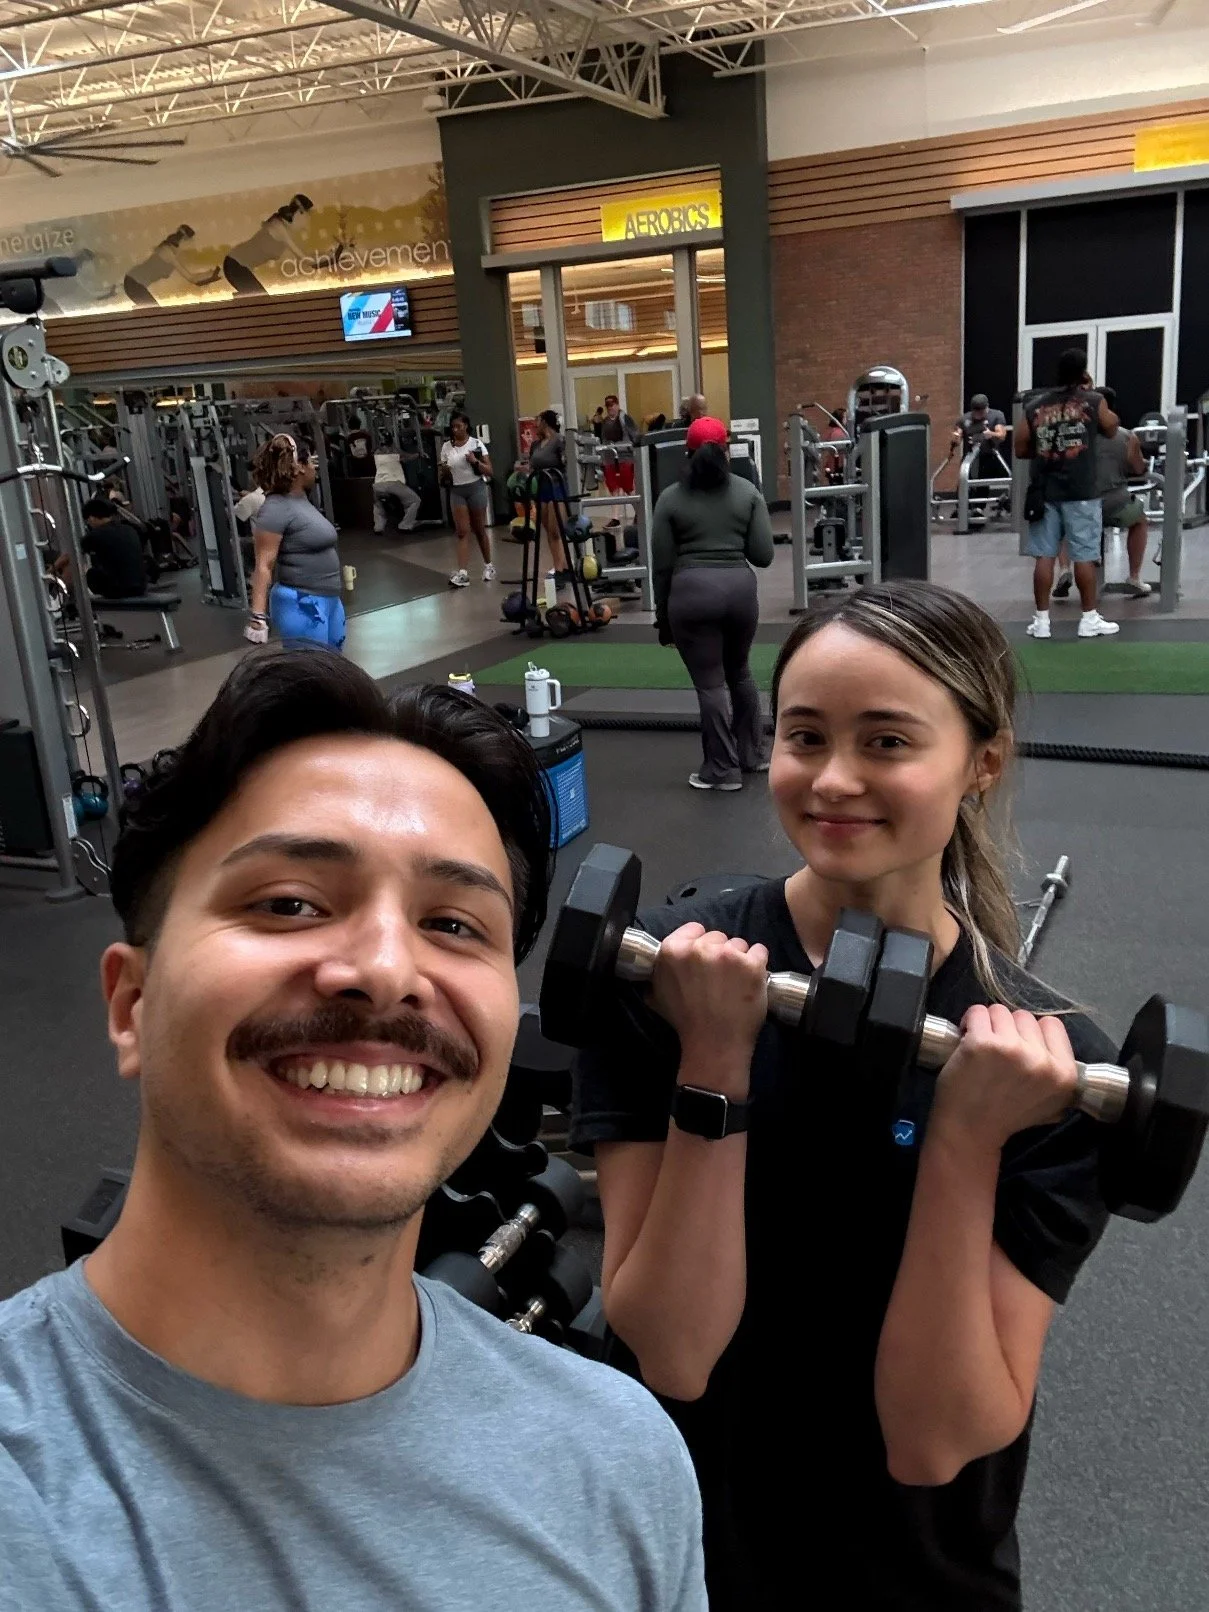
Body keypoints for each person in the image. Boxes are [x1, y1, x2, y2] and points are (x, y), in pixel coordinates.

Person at [0, 650, 706, 1612]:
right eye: (288, 903)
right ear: (130, 1005)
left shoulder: (619, 1461)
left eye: (454, 925)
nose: (385, 969)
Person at [572, 579, 1117, 1610]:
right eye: (804, 736)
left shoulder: (1053, 1073)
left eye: (886, 742)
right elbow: (675, 1355)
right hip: (680, 1553)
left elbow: (932, 1439)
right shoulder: (670, 973)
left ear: (981, 762)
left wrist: (965, 1136)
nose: (831, 779)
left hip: (909, 1575)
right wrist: (713, 1063)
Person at [651, 416, 774, 790]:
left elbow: (662, 565)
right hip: (739, 593)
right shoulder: (748, 492)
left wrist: (663, 618)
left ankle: (722, 770)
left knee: (710, 684)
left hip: (691, 595)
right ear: (727, 450)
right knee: (739, 672)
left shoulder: (670, 498)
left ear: (687, 453)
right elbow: (763, 554)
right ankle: (752, 755)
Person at [1014, 348, 1120, 640]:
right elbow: (1112, 427)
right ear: (1083, 373)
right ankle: (1088, 619)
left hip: (1045, 489)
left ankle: (1042, 622)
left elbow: (1021, 448)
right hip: (1082, 490)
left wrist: (1049, 446)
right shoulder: (1093, 401)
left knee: (1044, 556)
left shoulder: (1035, 406)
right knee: (1084, 555)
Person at [245, 432, 345, 650]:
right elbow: (263, 564)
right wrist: (258, 617)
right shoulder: (275, 508)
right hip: (301, 602)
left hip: (328, 599)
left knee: (333, 673)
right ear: (298, 467)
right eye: (309, 461)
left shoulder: (301, 501)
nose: (313, 467)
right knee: (311, 676)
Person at [1087, 383, 1151, 601]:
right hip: (1116, 504)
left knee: (1069, 523)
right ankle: (1134, 578)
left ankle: (1067, 571)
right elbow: (1138, 469)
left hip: (1085, 503)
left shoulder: (1079, 436)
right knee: (1140, 520)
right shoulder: (1127, 436)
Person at [438, 410, 495, 587]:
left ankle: (489, 565)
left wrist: (474, 461)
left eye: (459, 426)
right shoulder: (446, 447)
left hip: (475, 488)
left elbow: (489, 471)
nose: (455, 430)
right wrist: (445, 470)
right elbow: (443, 470)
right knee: (462, 531)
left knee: (479, 529)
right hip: (457, 490)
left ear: (466, 427)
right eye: (453, 427)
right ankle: (463, 573)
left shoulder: (476, 444)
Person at [55, 496, 147, 600]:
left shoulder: (95, 535)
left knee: (72, 565)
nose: (89, 524)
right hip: (140, 587)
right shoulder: (130, 529)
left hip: (117, 590)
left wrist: (50, 570)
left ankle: (68, 600)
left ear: (91, 518)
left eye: (88, 521)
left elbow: (70, 556)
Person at [223, 194, 313, 296]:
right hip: (235, 264)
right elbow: (302, 257)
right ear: (299, 213)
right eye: (307, 214)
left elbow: (303, 257)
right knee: (262, 301)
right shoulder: (279, 227)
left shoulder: (284, 228)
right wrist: (326, 260)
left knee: (261, 300)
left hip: (239, 265)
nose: (307, 219)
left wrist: (327, 257)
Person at [123, 226, 222, 309]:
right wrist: (210, 274)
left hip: (134, 282)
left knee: (153, 311)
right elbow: (192, 278)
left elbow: (194, 279)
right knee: (154, 311)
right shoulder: (167, 252)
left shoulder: (168, 254)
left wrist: (210, 274)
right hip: (134, 282)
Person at [527, 409, 570, 579]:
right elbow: (532, 465)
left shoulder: (559, 441)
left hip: (557, 487)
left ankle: (560, 569)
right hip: (542, 488)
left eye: (536, 421)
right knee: (548, 531)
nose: (534, 425)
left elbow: (566, 464)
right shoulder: (536, 445)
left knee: (555, 530)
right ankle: (561, 566)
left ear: (544, 422)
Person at [593, 394, 640, 497]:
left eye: (612, 405)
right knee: (613, 488)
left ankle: (638, 510)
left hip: (625, 457)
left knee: (628, 487)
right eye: (608, 406)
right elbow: (601, 439)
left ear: (617, 405)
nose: (610, 408)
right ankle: (616, 513)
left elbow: (635, 436)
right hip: (610, 458)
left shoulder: (625, 419)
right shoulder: (605, 422)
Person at [372, 446, 422, 536]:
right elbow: (409, 457)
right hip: (394, 483)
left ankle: (378, 527)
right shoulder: (394, 451)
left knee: (378, 505)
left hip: (378, 485)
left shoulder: (376, 453)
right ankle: (405, 525)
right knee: (415, 500)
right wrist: (419, 454)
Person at [343, 411, 377, 479]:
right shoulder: (367, 436)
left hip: (356, 467)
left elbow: (347, 453)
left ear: (349, 426)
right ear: (359, 424)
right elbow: (370, 449)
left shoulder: (348, 439)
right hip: (368, 465)